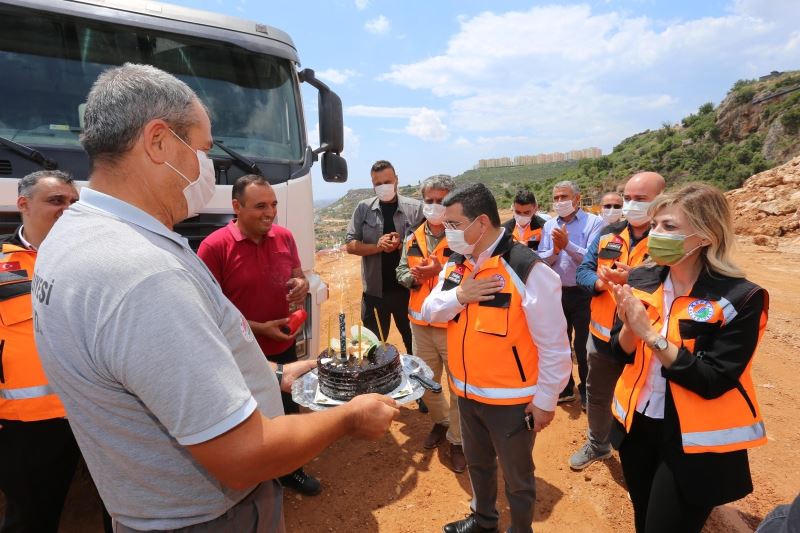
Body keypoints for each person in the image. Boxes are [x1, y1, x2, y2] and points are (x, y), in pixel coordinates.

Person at [31, 63, 397, 532]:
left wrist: (276, 373)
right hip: (208, 515)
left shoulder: (72, 236)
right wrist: (348, 418)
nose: (208, 168)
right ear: (158, 141)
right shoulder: (141, 273)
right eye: (203, 150)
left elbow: (159, 368)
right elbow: (244, 454)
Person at [609, 183, 769, 533]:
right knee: (643, 519)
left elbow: (713, 380)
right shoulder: (642, 278)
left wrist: (651, 336)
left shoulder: (740, 298)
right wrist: (629, 328)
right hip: (638, 428)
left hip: (693, 442)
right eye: (654, 225)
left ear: (705, 236)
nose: (655, 234)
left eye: (669, 227)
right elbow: (618, 352)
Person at [421, 183, 571, 533]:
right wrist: (460, 295)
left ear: (482, 222)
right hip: (467, 393)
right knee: (479, 465)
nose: (448, 231)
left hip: (512, 402)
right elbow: (430, 310)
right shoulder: (458, 264)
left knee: (518, 478)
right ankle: (484, 521)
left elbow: (554, 345)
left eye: (455, 224)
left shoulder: (526, 269)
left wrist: (546, 400)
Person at [198, 175, 321, 496]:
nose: (270, 213)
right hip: (238, 353)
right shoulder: (214, 247)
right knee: (245, 419)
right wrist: (257, 328)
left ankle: (291, 471)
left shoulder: (284, 237)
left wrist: (301, 285)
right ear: (236, 207)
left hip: (283, 345)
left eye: (274, 205)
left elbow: (296, 276)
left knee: (286, 410)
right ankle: (254, 482)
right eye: (260, 206)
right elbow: (206, 310)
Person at [569, 173, 666, 470]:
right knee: (598, 394)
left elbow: (674, 280)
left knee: (644, 399)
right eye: (628, 198)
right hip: (600, 337)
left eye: (640, 199)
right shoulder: (608, 234)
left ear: (661, 200)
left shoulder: (668, 240)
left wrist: (631, 279)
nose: (630, 204)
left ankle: (640, 456)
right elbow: (583, 271)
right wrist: (600, 284)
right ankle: (598, 444)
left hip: (645, 340)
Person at [0, 170, 79, 532]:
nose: (67, 209)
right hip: (28, 424)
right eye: (56, 201)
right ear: (23, 204)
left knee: (121, 510)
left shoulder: (90, 261)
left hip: (95, 412)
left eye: (73, 203)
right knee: (32, 519)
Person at [395, 174, 465, 473]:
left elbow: (474, 272)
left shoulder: (463, 236)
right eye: (430, 201)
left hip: (452, 324)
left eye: (441, 201)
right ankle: (441, 422)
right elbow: (401, 270)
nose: (435, 206)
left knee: (458, 385)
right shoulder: (414, 237)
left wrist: (441, 272)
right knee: (426, 381)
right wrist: (414, 278)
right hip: (419, 323)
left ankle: (459, 440)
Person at [345, 160, 423, 355]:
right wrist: (377, 246)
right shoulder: (363, 209)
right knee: (372, 351)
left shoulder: (416, 209)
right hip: (375, 294)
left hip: (409, 292)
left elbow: (429, 246)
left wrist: (402, 246)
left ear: (396, 180)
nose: (382, 187)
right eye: (377, 183)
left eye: (387, 181)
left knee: (415, 346)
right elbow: (350, 245)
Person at [537, 181, 604, 406]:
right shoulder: (549, 226)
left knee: (583, 346)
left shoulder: (594, 222)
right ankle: (565, 388)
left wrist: (567, 245)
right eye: (555, 198)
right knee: (560, 344)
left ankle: (586, 391)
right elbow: (542, 258)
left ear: (577, 198)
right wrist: (555, 250)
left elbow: (592, 258)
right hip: (557, 293)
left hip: (584, 293)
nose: (559, 202)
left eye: (563, 197)